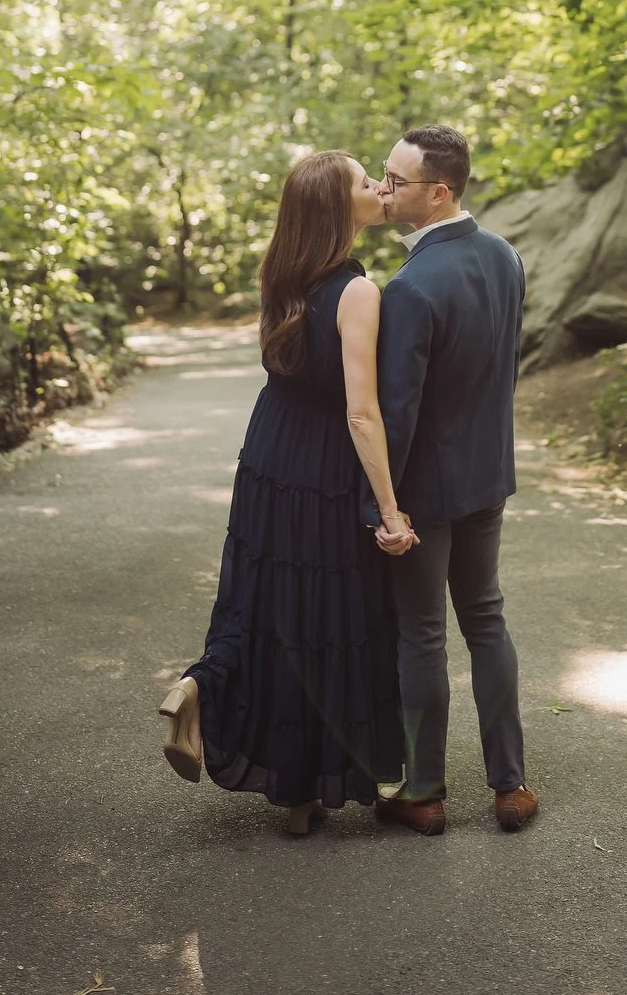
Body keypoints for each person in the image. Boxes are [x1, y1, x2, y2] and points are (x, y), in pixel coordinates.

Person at [158, 151, 414, 835]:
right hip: (326, 460)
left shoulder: (283, 274)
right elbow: (361, 412)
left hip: (271, 450)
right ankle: (312, 785)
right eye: (365, 182)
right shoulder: (359, 292)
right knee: (330, 614)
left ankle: (205, 690)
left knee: (271, 603)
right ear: (337, 207)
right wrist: (389, 508)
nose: (376, 189)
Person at [368, 123, 537, 837]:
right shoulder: (505, 257)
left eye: (396, 181)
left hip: (426, 495)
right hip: (487, 477)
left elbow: (397, 413)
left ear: (438, 193)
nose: (382, 188)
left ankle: (425, 791)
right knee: (488, 622)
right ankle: (510, 785)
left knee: (422, 637)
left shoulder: (409, 288)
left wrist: (385, 505)